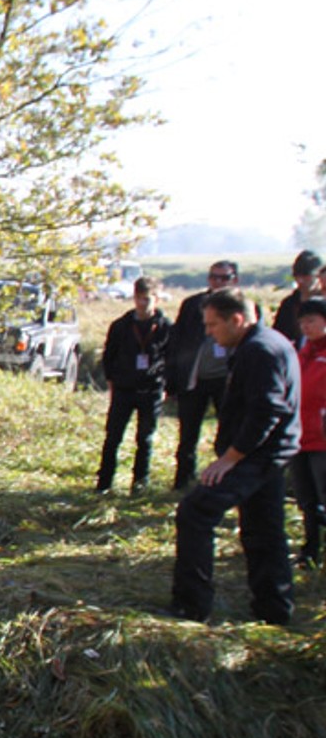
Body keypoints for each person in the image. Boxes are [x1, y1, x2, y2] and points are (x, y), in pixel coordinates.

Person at [167, 286, 300, 625]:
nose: (208, 332)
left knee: (195, 511)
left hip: (256, 457)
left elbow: (266, 411)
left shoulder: (259, 351)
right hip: (270, 455)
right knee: (264, 531)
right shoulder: (270, 342)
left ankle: (191, 604)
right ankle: (274, 609)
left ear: (237, 319)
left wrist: (231, 457)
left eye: (213, 325)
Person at [95, 275, 171, 493]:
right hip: (124, 389)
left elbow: (172, 358)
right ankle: (104, 482)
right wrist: (112, 382)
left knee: (145, 439)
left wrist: (165, 385)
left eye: (147, 299)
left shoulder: (165, 327)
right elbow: (109, 356)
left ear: (156, 299)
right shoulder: (121, 326)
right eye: (139, 298)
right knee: (113, 437)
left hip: (151, 389)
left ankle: (140, 483)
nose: (142, 304)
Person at [167, 260, 239, 489]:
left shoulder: (244, 307)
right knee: (188, 434)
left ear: (234, 280)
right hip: (195, 378)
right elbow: (175, 343)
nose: (218, 282)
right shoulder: (193, 304)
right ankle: (183, 482)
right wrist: (172, 381)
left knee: (229, 433)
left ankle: (226, 481)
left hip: (227, 381)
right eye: (213, 277)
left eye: (223, 278)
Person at [292, 298, 326, 566]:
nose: (306, 327)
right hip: (300, 437)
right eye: (302, 322)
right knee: (306, 499)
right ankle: (310, 549)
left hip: (322, 440)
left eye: (312, 321)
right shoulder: (303, 353)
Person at [271, 250, 322, 345]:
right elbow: (277, 336)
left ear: (318, 276)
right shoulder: (288, 305)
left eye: (306, 276)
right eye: (297, 276)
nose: (300, 280)